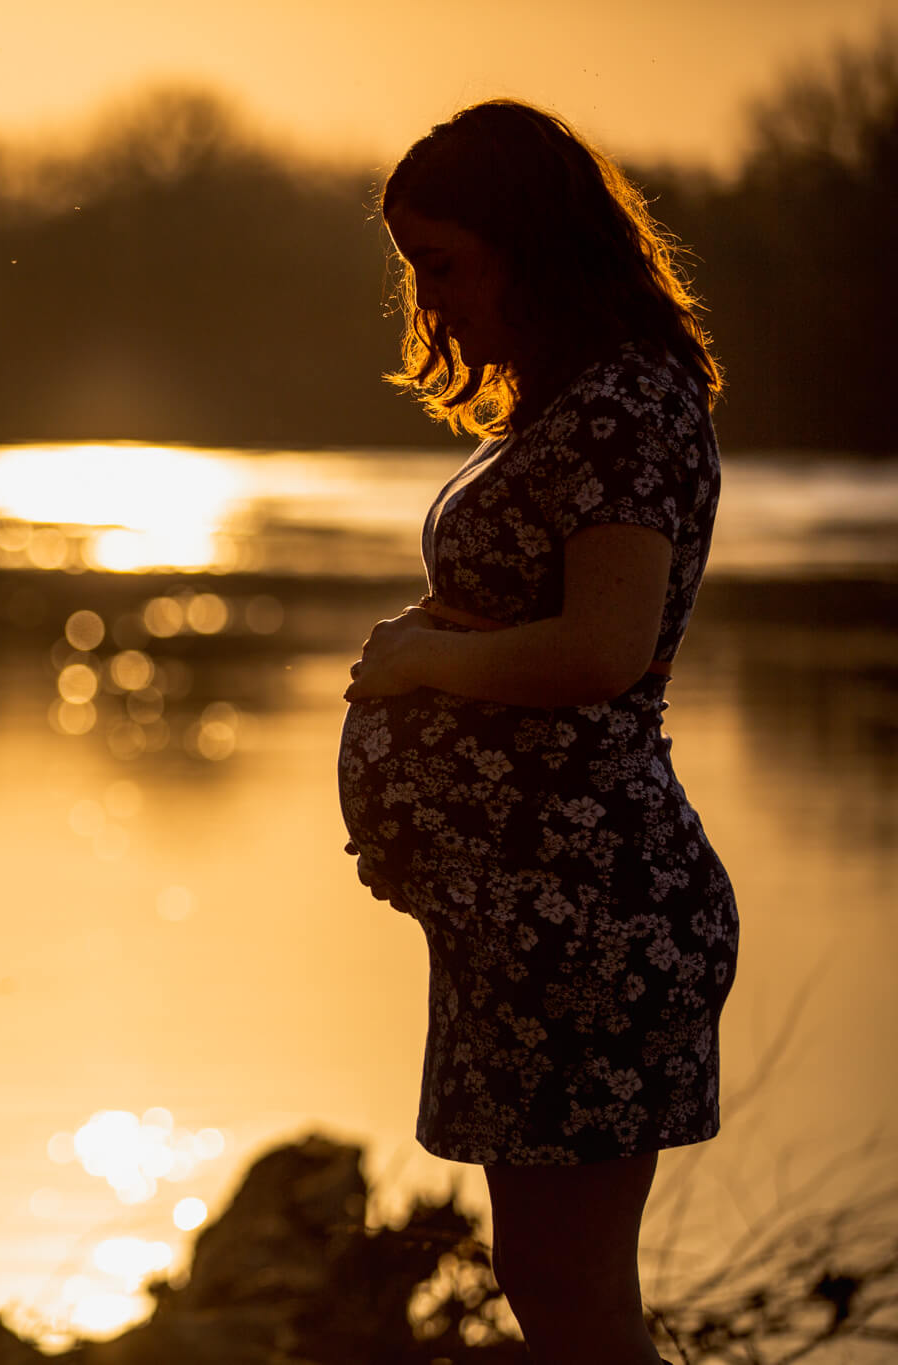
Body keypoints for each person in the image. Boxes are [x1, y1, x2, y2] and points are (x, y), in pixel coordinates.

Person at [337, 99, 737, 1365]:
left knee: (569, 1287)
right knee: (549, 1279)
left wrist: (420, 659)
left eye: (442, 265)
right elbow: (539, 612)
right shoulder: (578, 404)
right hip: (527, 921)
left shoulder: (623, 408)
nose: (429, 301)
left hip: (591, 910)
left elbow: (601, 649)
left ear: (532, 244)